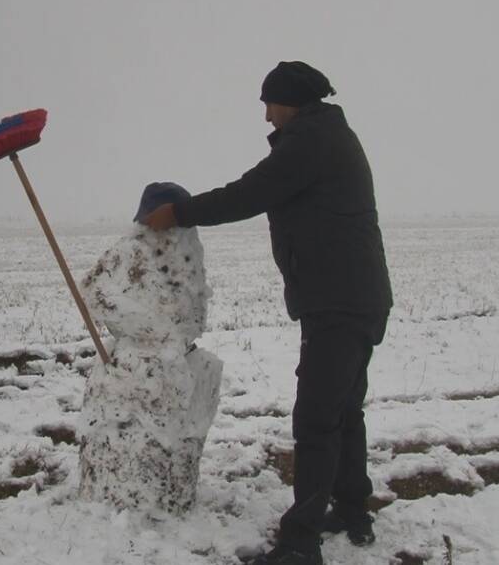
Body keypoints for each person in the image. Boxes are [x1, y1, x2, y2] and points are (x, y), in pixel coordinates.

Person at [141, 61, 393, 565]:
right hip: (356, 296)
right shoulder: (329, 135)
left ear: (289, 102)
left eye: (268, 105)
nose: (265, 117)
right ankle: (350, 510)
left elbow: (251, 192)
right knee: (343, 409)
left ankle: (301, 543)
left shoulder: (311, 142)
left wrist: (180, 213)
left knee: (318, 417)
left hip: (338, 300)